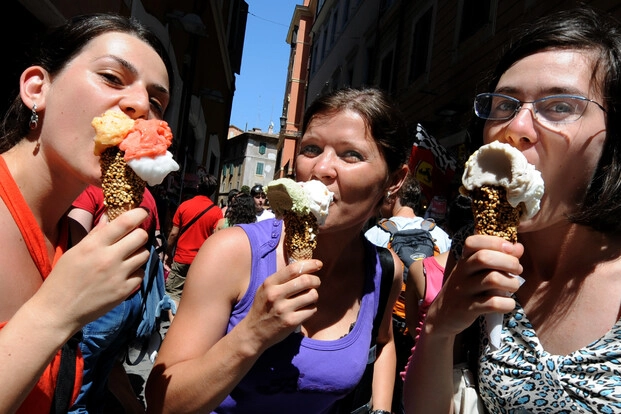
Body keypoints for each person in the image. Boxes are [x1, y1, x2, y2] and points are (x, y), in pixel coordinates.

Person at [405, 7, 621, 414]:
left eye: (559, 106)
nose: (515, 127)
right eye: (504, 105)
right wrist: (439, 327)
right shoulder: (472, 258)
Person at [145, 87, 410, 413]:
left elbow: (383, 342)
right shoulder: (234, 253)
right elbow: (161, 402)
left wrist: (381, 409)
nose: (321, 168)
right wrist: (252, 335)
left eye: (350, 155)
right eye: (311, 149)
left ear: (394, 180)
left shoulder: (384, 271)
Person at [0, 13, 172, 413]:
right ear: (37, 88)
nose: (141, 105)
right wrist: (57, 310)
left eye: (157, 102)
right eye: (112, 78)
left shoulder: (72, 240)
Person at [67, 185, 162, 414]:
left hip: (99, 303)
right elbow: (157, 242)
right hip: (131, 299)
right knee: (100, 381)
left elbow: (75, 239)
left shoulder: (92, 189)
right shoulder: (146, 194)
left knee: (76, 389)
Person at [364, 172, 451, 414]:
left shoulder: (375, 235)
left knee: (383, 391)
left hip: (385, 327)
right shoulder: (439, 235)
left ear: (393, 197)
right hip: (425, 328)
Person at [164, 174, 222, 312]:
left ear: (197, 187)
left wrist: (168, 252)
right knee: (195, 296)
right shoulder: (217, 212)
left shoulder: (184, 206)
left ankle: (173, 323)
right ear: (213, 191)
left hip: (181, 258)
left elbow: (173, 233)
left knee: (173, 293)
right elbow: (216, 238)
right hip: (201, 262)